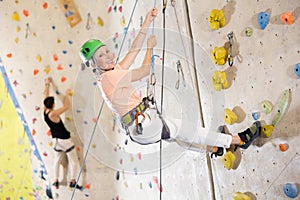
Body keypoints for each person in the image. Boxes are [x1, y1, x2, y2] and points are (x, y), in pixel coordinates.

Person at [79, 7, 261, 155]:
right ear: (95, 64)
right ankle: (238, 140)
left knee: (175, 134)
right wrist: (150, 48)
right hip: (143, 124)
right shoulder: (109, 78)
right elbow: (143, 71)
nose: (109, 56)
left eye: (107, 51)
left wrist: (147, 22)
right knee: (187, 130)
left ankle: (213, 147)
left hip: (139, 126)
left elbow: (134, 50)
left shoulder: (111, 72)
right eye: (101, 56)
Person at [43, 77, 83, 189]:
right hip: (64, 140)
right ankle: (73, 180)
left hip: (55, 141)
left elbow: (45, 97)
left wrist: (47, 85)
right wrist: (66, 95)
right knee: (73, 160)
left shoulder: (45, 111)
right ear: (53, 105)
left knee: (57, 160)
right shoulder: (53, 114)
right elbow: (66, 107)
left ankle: (55, 179)